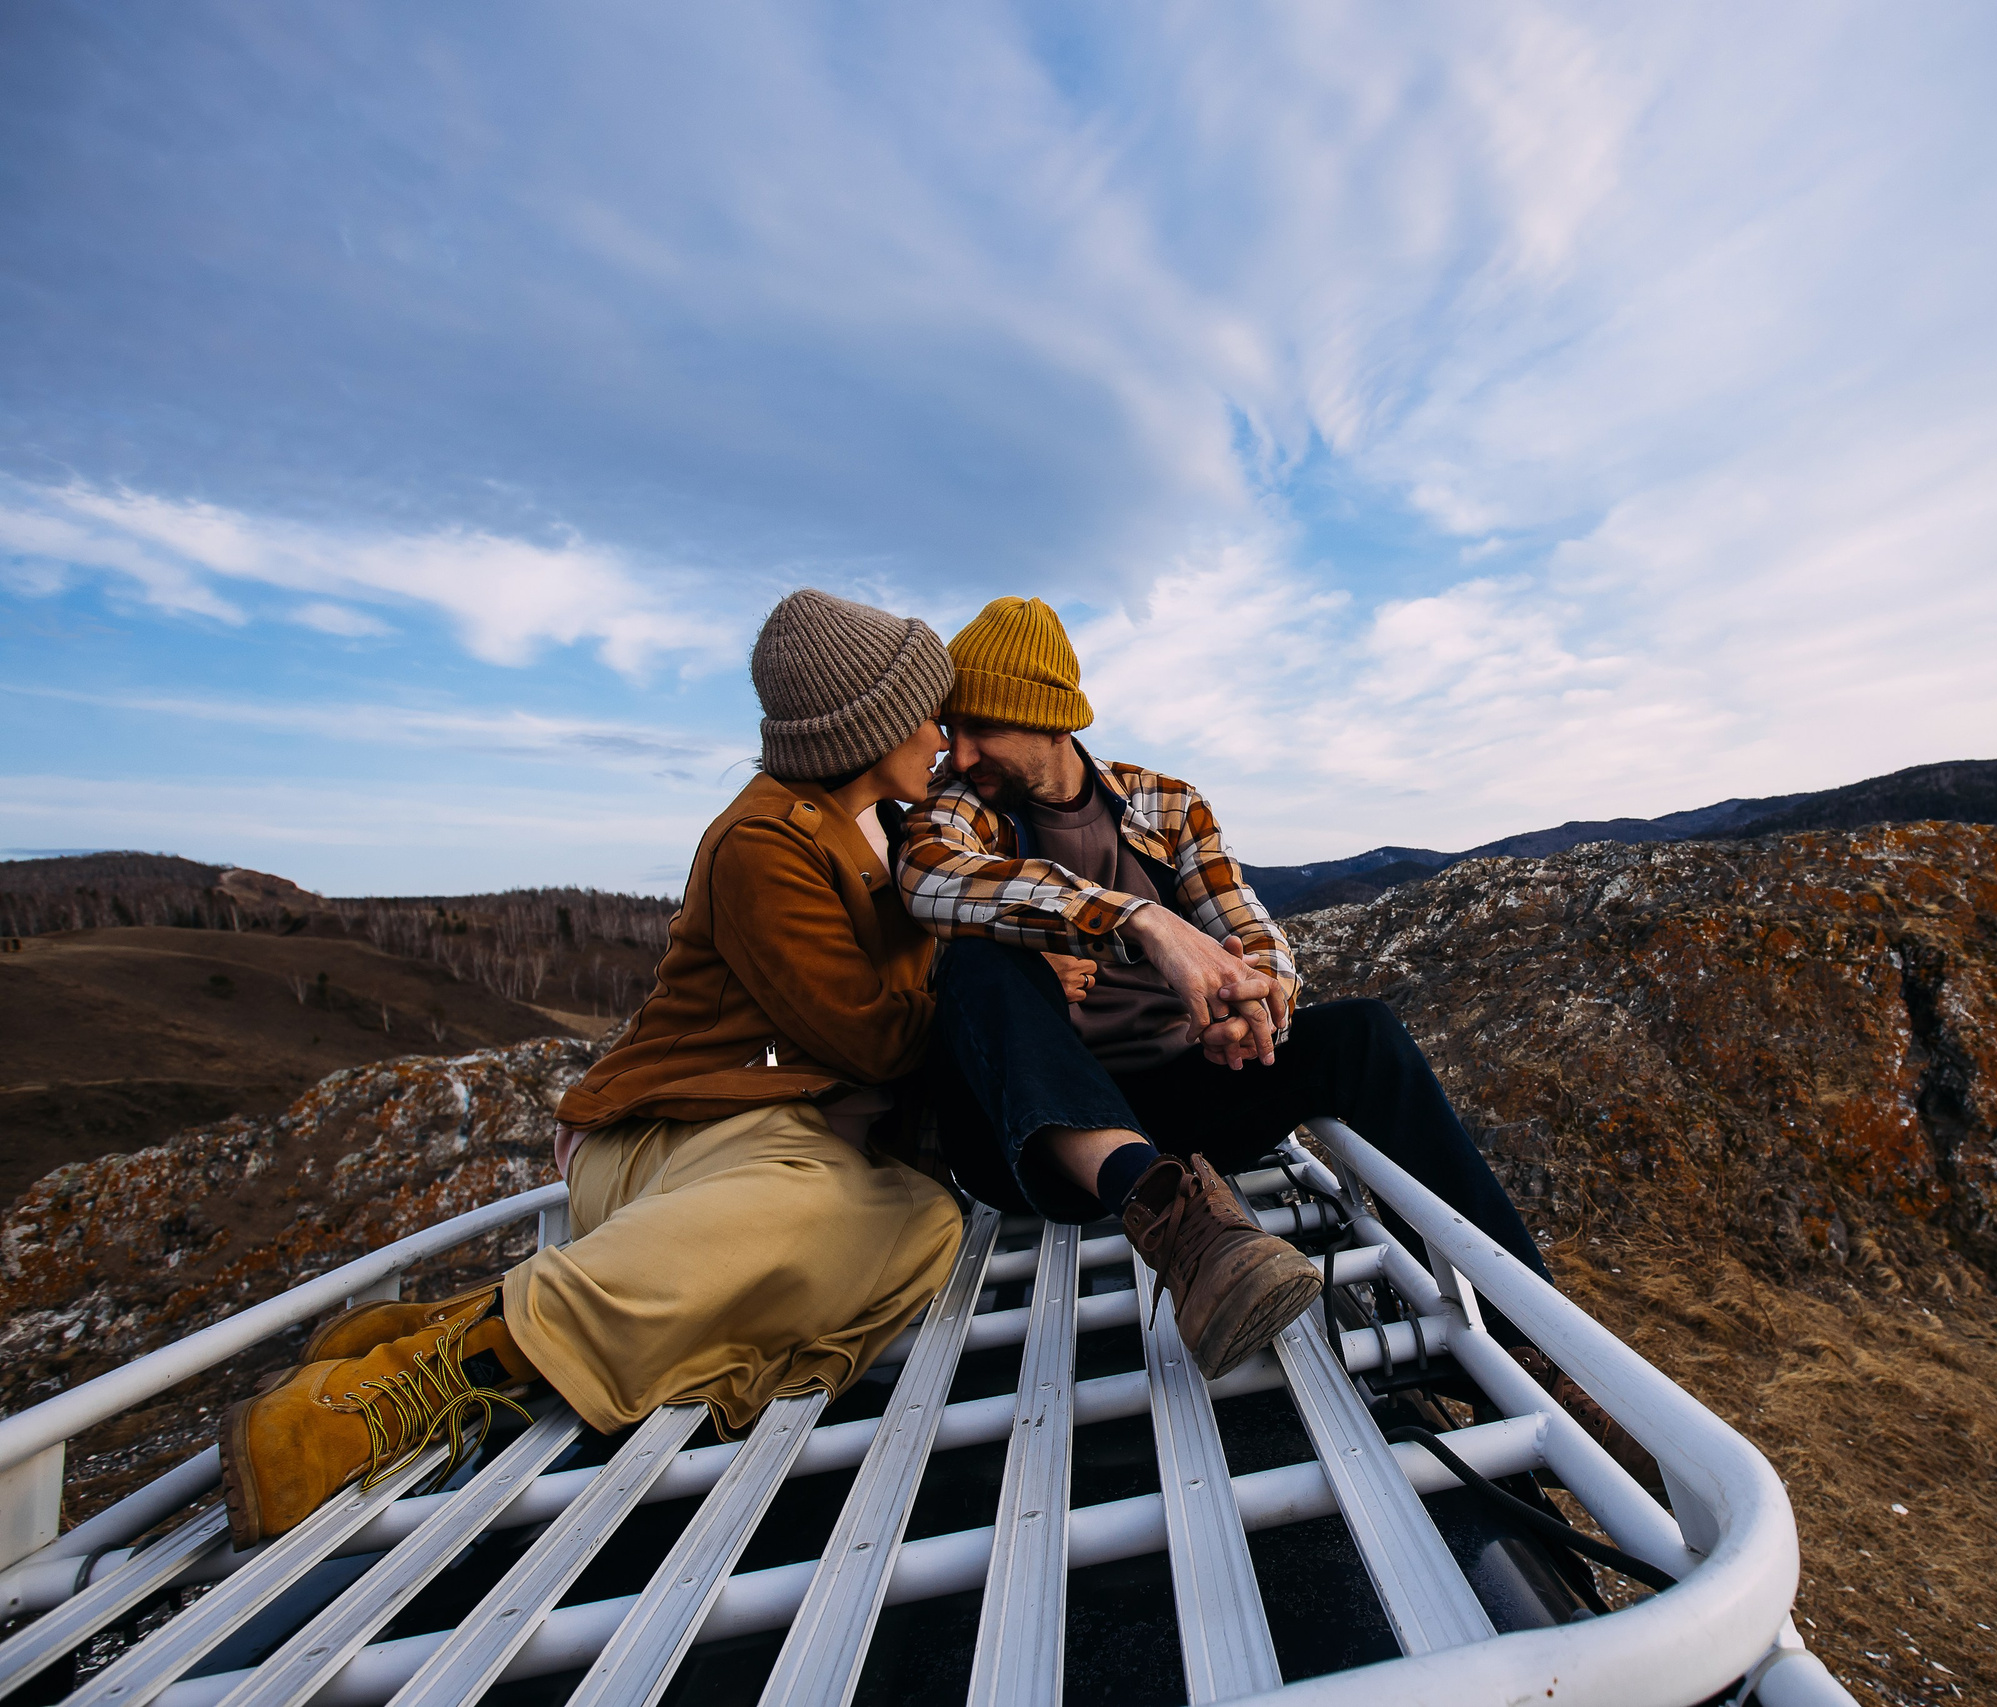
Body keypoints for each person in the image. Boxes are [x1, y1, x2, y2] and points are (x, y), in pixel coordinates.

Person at [218, 591, 969, 1546]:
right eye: (927, 711)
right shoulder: (763, 843)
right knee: (820, 1209)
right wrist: (984, 987)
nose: (945, 733)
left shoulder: (897, 828)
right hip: (667, 1130)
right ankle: (405, 1385)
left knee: (922, 1225)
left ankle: (498, 1318)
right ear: (864, 727)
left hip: (782, 1132)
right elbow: (871, 1038)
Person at [896, 596, 1557, 1383]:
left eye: (980, 730)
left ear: (1046, 719)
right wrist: (1145, 923)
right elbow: (929, 877)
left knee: (1365, 1034)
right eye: (953, 731)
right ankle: (1170, 1216)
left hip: (1178, 1102)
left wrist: (1253, 1006)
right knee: (980, 960)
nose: (960, 755)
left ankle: (1525, 1349)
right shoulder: (958, 813)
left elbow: (1251, 929)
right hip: (1031, 1137)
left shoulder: (1166, 804)